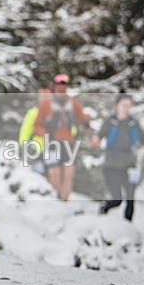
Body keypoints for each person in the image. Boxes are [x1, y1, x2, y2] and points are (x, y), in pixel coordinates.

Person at [91, 93, 144, 221]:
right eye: (124, 105)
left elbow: (143, 138)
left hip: (129, 163)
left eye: (129, 105)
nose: (126, 108)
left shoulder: (133, 123)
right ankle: (104, 210)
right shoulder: (110, 122)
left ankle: (128, 226)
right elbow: (99, 135)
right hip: (112, 164)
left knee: (130, 198)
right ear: (117, 106)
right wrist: (96, 140)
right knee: (117, 199)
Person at [33, 73, 91, 201]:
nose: (61, 89)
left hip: (68, 143)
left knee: (68, 173)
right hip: (52, 143)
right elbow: (36, 125)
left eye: (64, 87)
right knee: (54, 174)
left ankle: (64, 201)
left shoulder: (73, 103)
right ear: (54, 87)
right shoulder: (45, 105)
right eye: (59, 86)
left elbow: (82, 118)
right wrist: (45, 134)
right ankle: (54, 200)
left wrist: (87, 125)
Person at [19, 88, 51, 175]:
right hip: (36, 149)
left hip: (55, 149)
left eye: (46, 95)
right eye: (42, 96)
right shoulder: (32, 112)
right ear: (38, 97)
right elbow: (25, 131)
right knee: (38, 173)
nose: (44, 98)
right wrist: (24, 145)